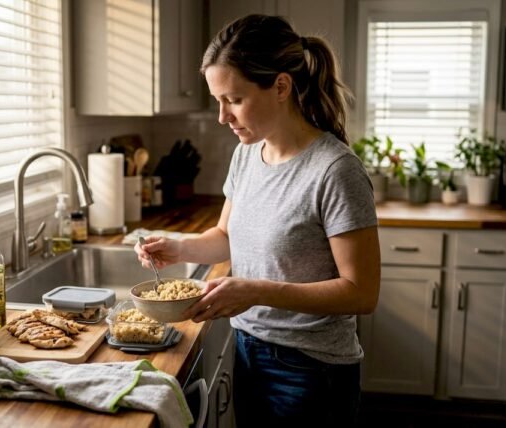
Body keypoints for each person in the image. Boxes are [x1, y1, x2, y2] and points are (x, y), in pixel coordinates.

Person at [135, 14, 381, 427]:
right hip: (249, 349)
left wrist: (257, 291)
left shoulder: (335, 170)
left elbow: (361, 293)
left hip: (310, 370)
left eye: (233, 99)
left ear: (281, 87)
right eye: (218, 101)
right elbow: (227, 236)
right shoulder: (248, 153)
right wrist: (175, 246)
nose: (222, 116)